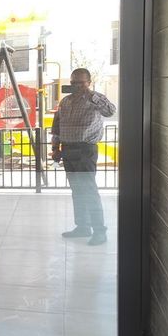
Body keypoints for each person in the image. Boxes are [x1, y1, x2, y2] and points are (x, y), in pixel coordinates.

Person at [50, 68, 116, 245]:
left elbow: (111, 111)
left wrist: (91, 95)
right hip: (67, 150)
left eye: (81, 82)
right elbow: (56, 127)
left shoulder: (95, 99)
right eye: (73, 82)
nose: (77, 86)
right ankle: (83, 227)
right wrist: (55, 148)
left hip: (86, 150)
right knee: (77, 191)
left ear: (89, 82)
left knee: (89, 190)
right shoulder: (65, 101)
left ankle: (99, 231)